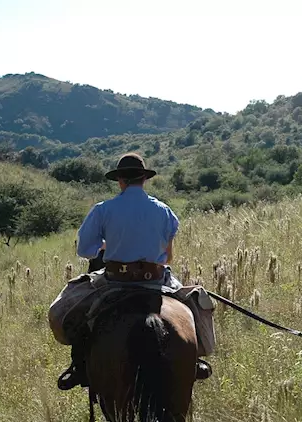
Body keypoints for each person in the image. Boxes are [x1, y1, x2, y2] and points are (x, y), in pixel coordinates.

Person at [57, 152, 213, 390]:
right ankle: (194, 359)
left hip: (114, 280)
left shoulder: (103, 210)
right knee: (193, 306)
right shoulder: (164, 211)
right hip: (156, 278)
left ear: (120, 180)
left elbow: (85, 251)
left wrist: (106, 245)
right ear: (144, 179)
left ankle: (79, 365)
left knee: (70, 309)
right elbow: (168, 256)